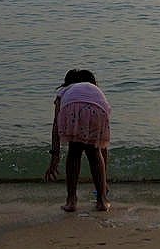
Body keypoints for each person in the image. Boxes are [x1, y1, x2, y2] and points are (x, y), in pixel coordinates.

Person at [43, 69, 111, 211]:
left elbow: (56, 124)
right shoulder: (95, 91)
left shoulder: (65, 91)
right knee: (95, 151)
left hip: (72, 106)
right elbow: (103, 146)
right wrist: (103, 181)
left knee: (74, 151)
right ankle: (102, 200)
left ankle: (71, 200)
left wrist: (55, 156)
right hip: (99, 109)